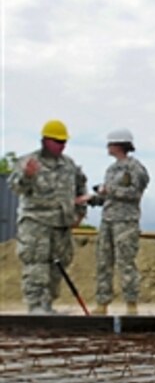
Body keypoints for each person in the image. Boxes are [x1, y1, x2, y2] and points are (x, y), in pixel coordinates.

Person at [10, 120, 90, 314]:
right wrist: (27, 176)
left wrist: (80, 213)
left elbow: (81, 190)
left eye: (64, 142)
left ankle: (48, 304)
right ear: (46, 140)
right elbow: (16, 188)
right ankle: (35, 305)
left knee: (59, 265)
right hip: (36, 224)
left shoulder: (69, 165)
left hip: (61, 224)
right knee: (36, 263)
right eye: (58, 141)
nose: (62, 145)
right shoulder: (28, 162)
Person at [87, 129, 150, 315]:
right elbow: (108, 197)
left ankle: (131, 305)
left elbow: (134, 193)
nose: (107, 147)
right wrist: (91, 199)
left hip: (126, 222)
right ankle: (102, 303)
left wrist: (109, 190)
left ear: (118, 145)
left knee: (126, 263)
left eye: (110, 144)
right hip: (108, 221)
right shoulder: (112, 169)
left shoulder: (135, 168)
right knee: (103, 262)